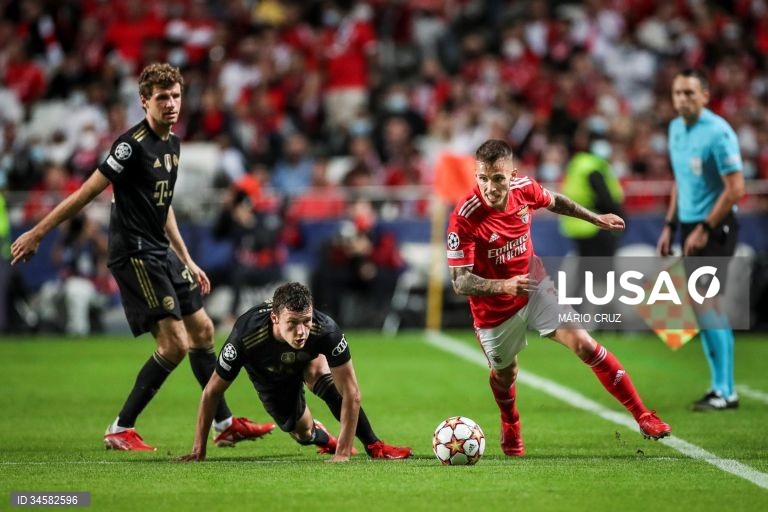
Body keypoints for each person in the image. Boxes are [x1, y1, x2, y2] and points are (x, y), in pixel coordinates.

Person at [11, 63, 275, 451]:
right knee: (175, 344)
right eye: (162, 97)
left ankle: (223, 423)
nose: (171, 104)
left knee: (202, 331)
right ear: (144, 101)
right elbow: (86, 192)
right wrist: (37, 232)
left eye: (176, 96)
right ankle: (120, 426)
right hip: (133, 253)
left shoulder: (173, 143)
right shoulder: (129, 146)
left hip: (159, 251)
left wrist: (185, 257)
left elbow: (162, 204)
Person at [446, 139, 671, 457]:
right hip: (493, 310)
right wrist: (503, 286)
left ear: (512, 174)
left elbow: (557, 202)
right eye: (483, 178)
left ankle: (643, 415)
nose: (490, 187)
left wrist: (595, 219)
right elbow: (460, 281)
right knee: (505, 373)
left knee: (584, 343)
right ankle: (510, 421)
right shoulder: (464, 217)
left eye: (498, 178)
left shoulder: (525, 188)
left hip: (535, 286)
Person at [177, 282, 413, 462]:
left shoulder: (326, 331)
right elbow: (212, 391)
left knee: (328, 383)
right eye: (292, 323)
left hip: (309, 360)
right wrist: (199, 449)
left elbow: (352, 393)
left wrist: (343, 454)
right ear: (274, 318)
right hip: (270, 375)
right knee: (300, 432)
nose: (301, 331)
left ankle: (375, 446)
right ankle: (321, 436)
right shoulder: (246, 335)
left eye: (306, 321)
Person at [656, 69, 744, 411]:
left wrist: (705, 229)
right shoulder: (675, 129)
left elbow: (736, 188)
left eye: (690, 93)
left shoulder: (719, 133)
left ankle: (726, 391)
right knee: (701, 307)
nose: (682, 99)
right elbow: (680, 180)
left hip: (716, 226)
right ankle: (720, 387)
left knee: (707, 306)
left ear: (705, 96)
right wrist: (669, 224)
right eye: (678, 93)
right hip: (689, 226)